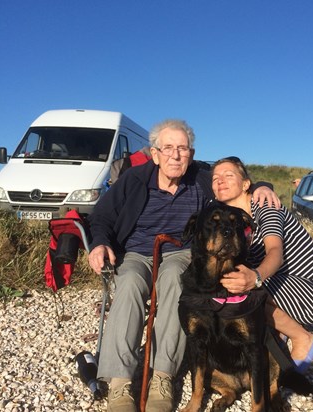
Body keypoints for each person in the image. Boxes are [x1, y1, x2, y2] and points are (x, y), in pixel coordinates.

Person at [87, 120, 280, 412]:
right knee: (127, 285)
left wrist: (263, 185)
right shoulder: (134, 180)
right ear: (154, 153)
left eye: (182, 148)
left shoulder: (200, 180)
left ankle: (162, 376)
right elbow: (101, 215)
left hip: (179, 252)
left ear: (190, 153)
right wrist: (100, 243)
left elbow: (233, 184)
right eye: (168, 148)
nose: (175, 155)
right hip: (137, 253)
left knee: (176, 279)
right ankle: (119, 383)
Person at [211, 157, 313, 374]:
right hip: (288, 286)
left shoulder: (265, 206)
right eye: (215, 178)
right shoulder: (231, 220)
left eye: (228, 176)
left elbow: (275, 252)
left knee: (248, 289)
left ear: (245, 184)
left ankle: (302, 338)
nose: (220, 181)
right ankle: (276, 330)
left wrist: (255, 278)